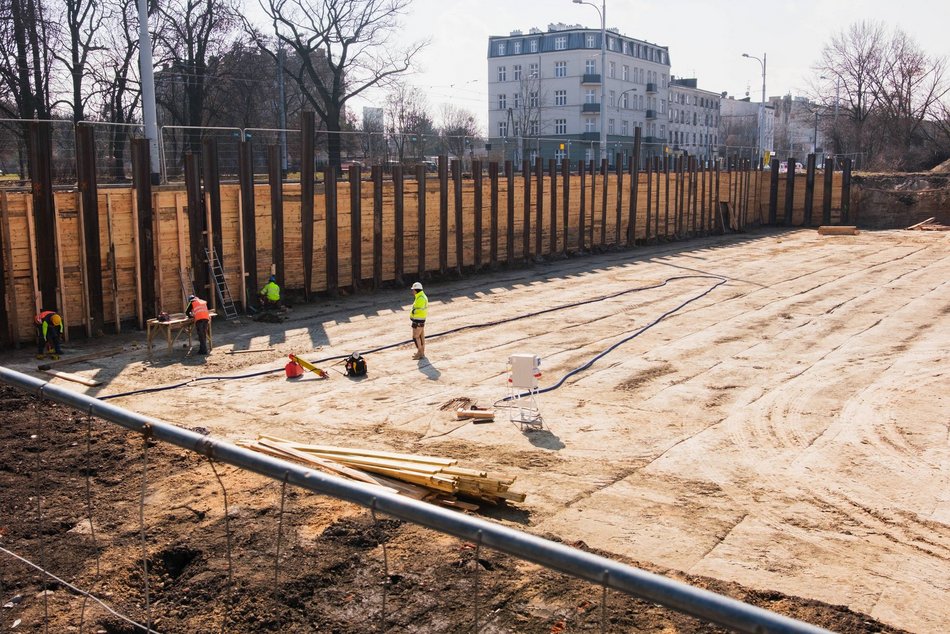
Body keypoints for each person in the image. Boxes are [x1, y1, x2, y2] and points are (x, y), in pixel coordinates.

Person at [409, 282, 428, 360]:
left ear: (416, 290)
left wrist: (412, 313)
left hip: (418, 320)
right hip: (420, 320)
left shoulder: (420, 298)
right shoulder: (421, 296)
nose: (412, 291)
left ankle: (419, 353)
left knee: (415, 336)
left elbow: (416, 309)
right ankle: (422, 352)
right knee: (421, 336)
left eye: (413, 290)